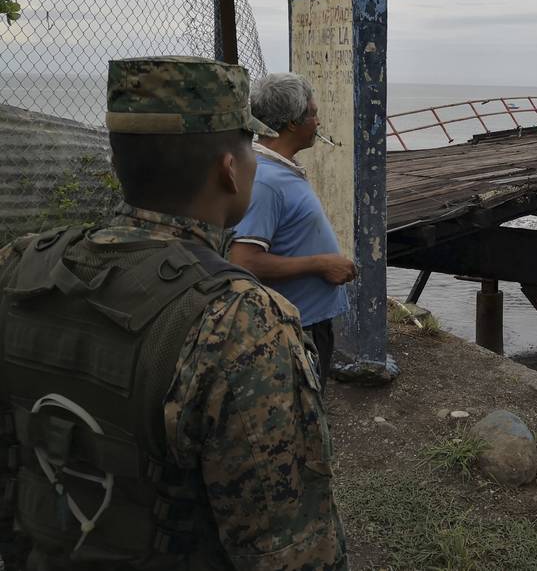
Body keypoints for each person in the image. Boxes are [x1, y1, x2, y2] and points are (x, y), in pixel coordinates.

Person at [0, 56, 348, 569]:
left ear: (118, 164)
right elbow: (291, 550)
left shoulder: (19, 268)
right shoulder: (241, 322)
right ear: (230, 171)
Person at [228, 73, 356, 392]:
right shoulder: (267, 182)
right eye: (312, 113)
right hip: (293, 330)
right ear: (291, 123)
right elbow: (244, 262)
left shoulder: (278, 169)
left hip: (307, 323)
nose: (318, 120)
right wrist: (321, 264)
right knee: (300, 418)